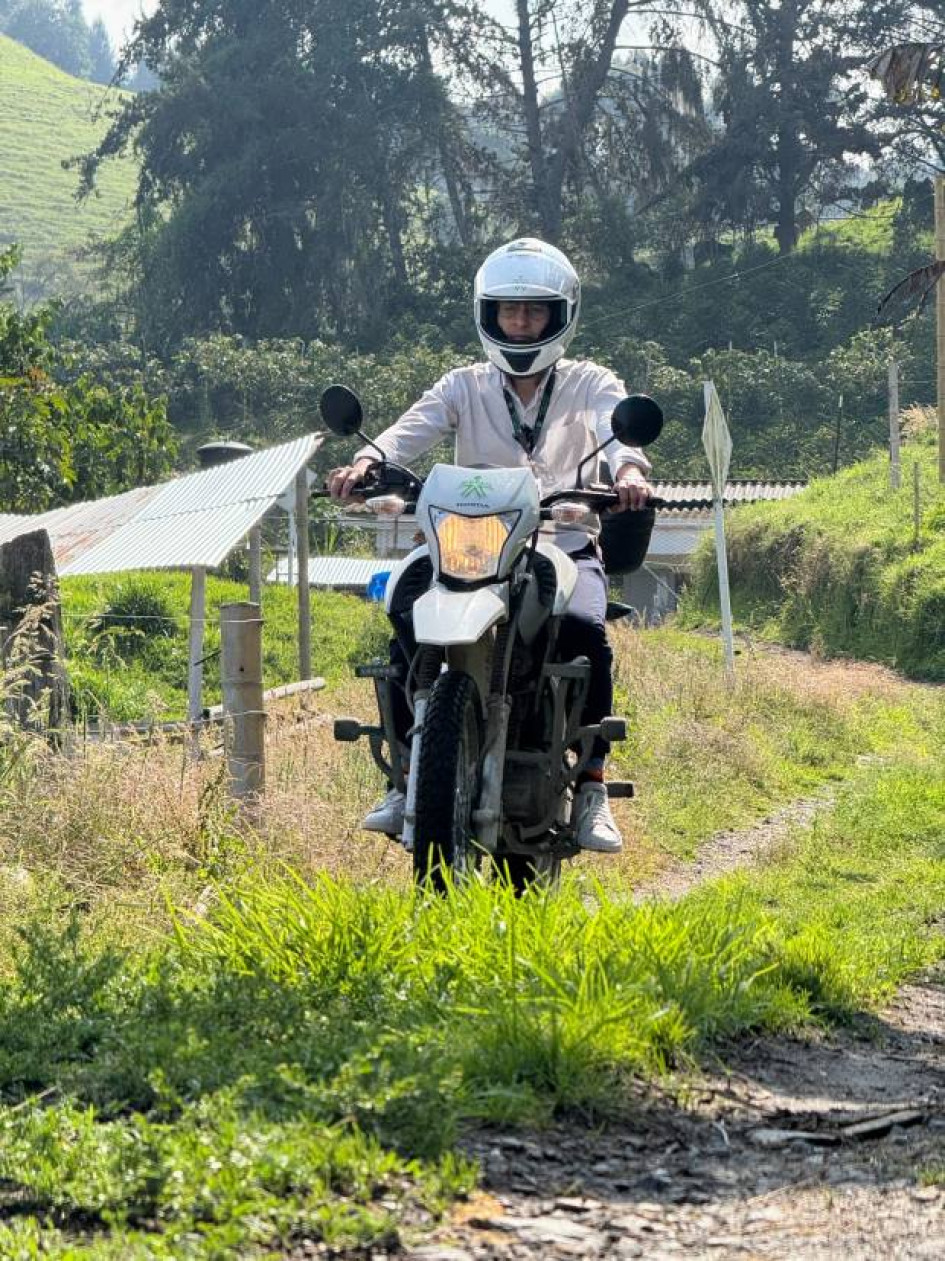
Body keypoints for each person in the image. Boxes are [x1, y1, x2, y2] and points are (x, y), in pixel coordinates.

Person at [329, 237, 652, 852]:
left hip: (562, 536)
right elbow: (405, 433)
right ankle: (406, 778)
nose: (522, 322)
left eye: (534, 311)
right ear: (489, 315)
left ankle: (590, 785)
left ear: (559, 316)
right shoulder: (463, 386)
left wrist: (630, 473)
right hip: (463, 544)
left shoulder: (590, 383)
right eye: (510, 311)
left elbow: (619, 436)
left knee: (586, 630)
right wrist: (366, 463)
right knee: (402, 613)